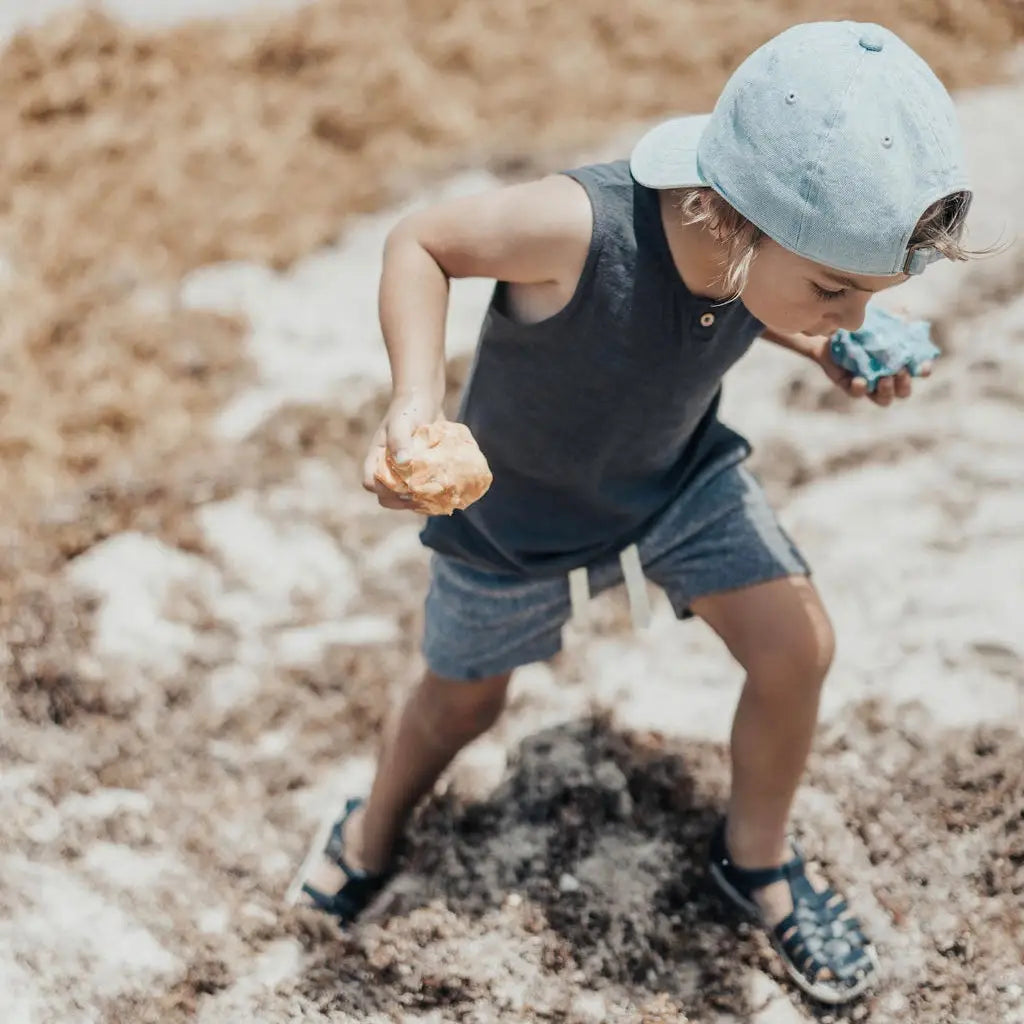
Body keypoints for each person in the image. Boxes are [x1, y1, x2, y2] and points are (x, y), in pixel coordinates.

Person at [295, 20, 977, 1005]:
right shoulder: (580, 226)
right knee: (461, 705)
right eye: (836, 290)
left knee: (796, 647)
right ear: (741, 212)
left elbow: (763, 301)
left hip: (673, 482)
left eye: (866, 297)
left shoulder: (759, 244)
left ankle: (754, 861)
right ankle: (369, 832)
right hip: (514, 513)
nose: (851, 313)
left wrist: (825, 346)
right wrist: (414, 404)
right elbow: (422, 241)